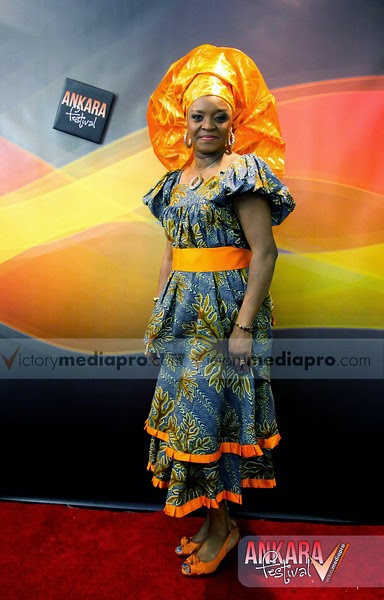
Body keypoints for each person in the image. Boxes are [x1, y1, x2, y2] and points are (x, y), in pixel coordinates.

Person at [142, 44, 295, 577]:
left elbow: (265, 253)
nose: (207, 126)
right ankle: (213, 525)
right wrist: (159, 313)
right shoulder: (174, 183)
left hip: (227, 315)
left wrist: (243, 328)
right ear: (183, 125)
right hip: (183, 316)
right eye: (197, 116)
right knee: (192, 422)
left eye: (219, 117)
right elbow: (171, 253)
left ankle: (224, 529)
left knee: (217, 418)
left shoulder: (243, 174)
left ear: (234, 125)